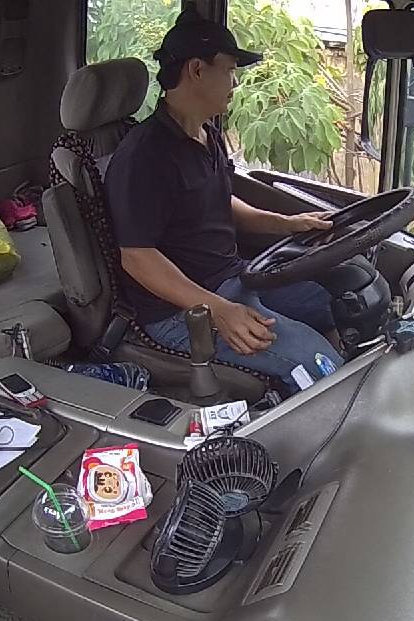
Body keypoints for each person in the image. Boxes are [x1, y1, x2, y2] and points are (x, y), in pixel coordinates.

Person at [104, 6, 345, 392]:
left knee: (332, 298)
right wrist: (217, 310)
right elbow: (137, 257)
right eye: (230, 70)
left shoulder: (205, 134)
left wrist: (286, 224)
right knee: (319, 363)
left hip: (231, 278)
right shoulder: (146, 155)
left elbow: (217, 201)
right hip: (179, 312)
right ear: (197, 70)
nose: (235, 82)